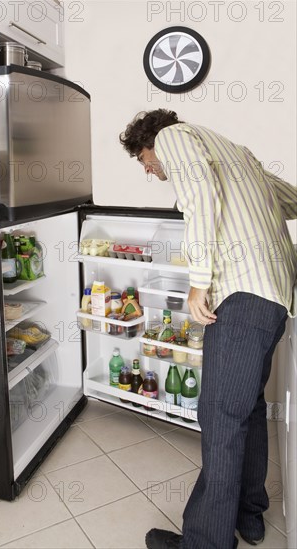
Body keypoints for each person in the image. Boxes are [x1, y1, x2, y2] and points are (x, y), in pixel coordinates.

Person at [119, 110, 297, 549]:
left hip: (240, 296)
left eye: (144, 160)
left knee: (220, 418)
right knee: (248, 410)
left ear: (152, 142)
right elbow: (291, 200)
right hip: (275, 297)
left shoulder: (176, 137)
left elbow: (200, 195)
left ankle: (204, 544)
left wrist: (199, 282)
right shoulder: (239, 156)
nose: (148, 169)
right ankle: (249, 516)